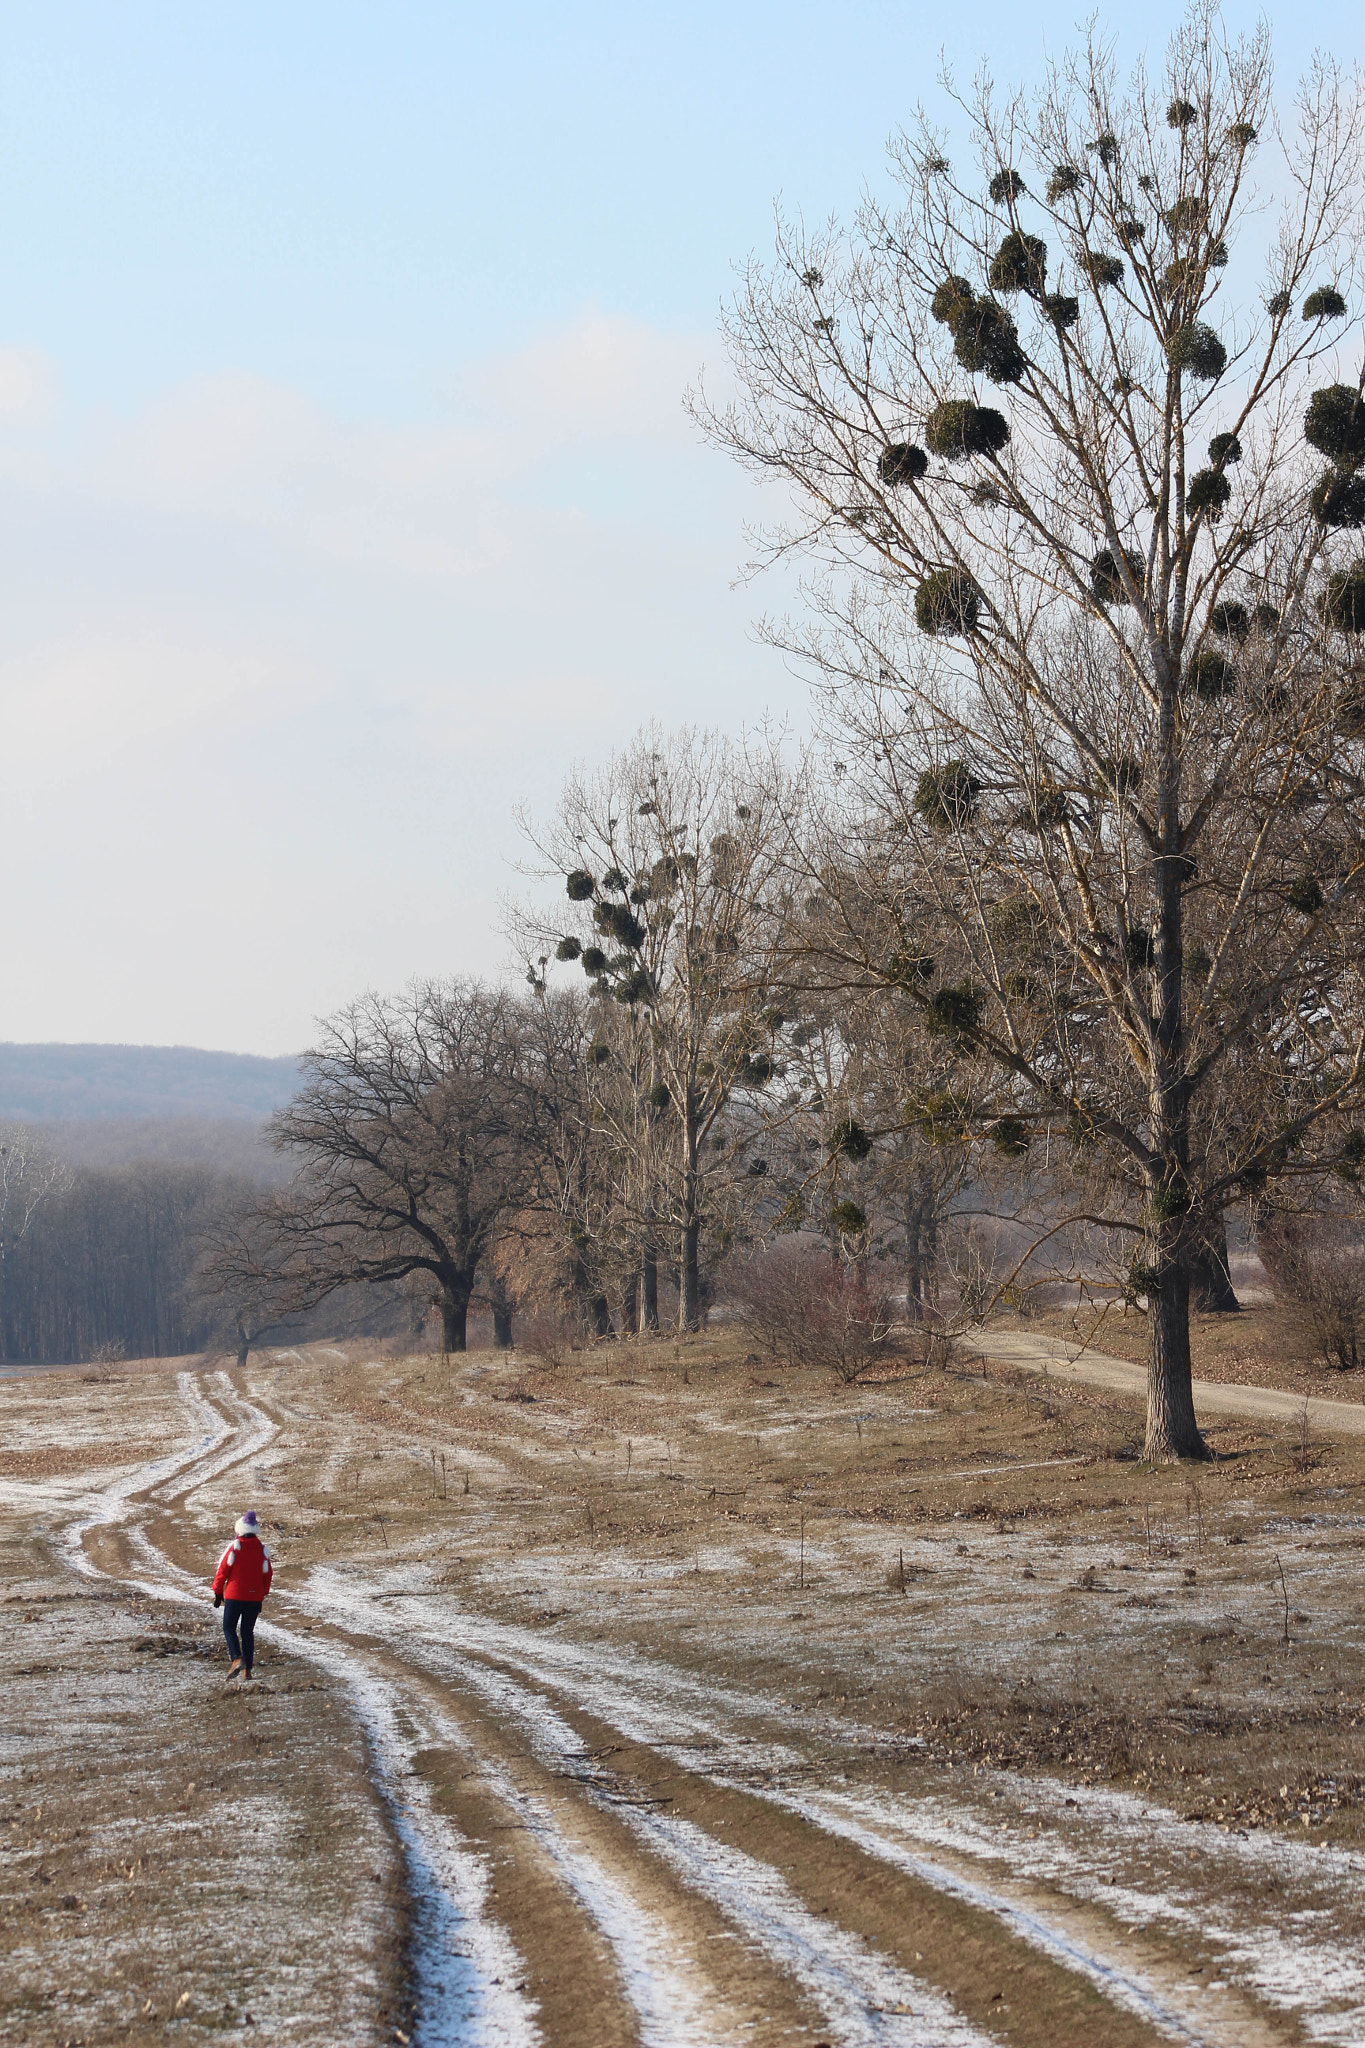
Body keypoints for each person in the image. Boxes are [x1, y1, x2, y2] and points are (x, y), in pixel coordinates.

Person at [211, 1509, 273, 1681]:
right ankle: (247, 1671)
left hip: (234, 1595)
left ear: (240, 1529)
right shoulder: (262, 1550)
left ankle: (237, 1658)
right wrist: (262, 1594)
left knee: (229, 1627)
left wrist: (217, 1592)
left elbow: (222, 1570)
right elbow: (267, 1574)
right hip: (254, 1598)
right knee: (247, 1632)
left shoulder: (234, 1547)